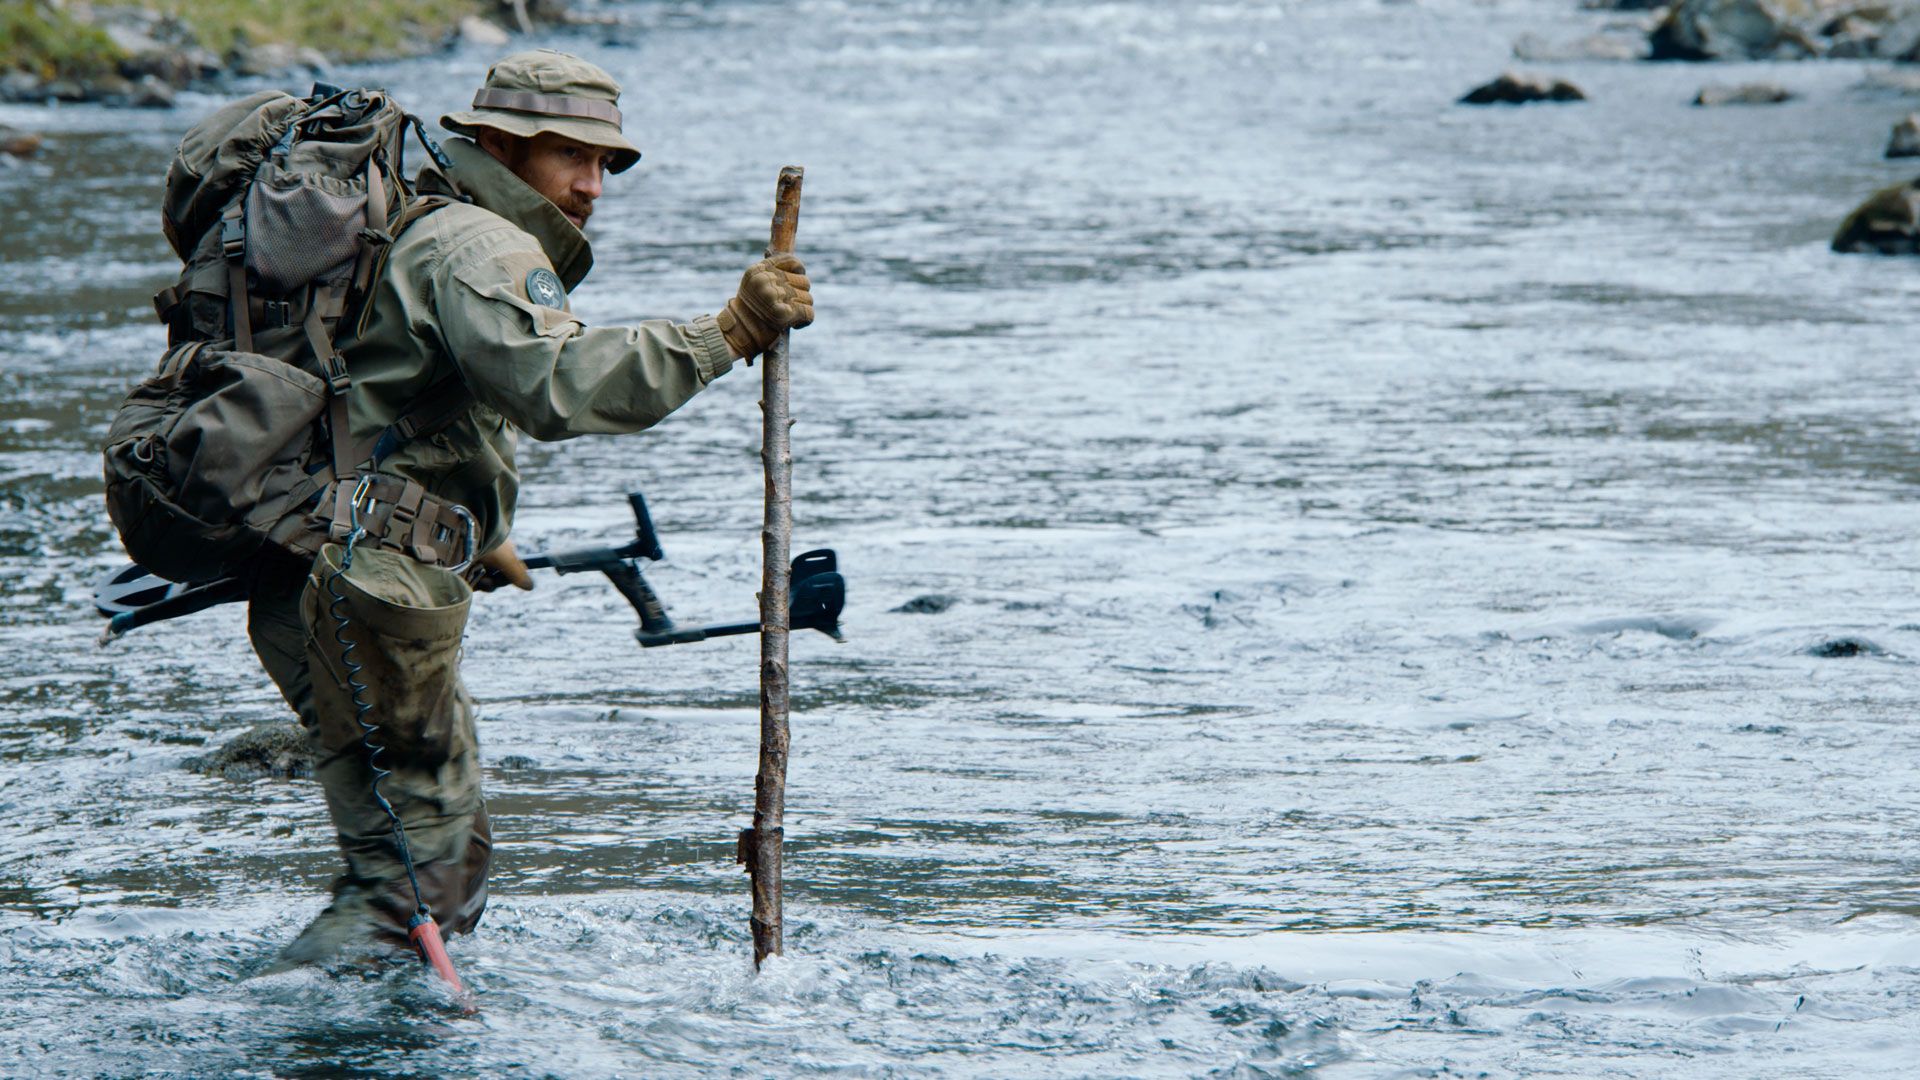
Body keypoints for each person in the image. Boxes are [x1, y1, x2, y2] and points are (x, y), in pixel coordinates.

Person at [246, 49, 814, 967]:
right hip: (370, 587)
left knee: (421, 855)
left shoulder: (423, 222)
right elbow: (558, 385)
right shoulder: (479, 244)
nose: (594, 185)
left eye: (607, 165)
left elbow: (418, 399)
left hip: (317, 568)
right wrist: (730, 333)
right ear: (504, 145)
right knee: (420, 878)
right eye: (572, 158)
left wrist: (483, 534)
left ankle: (370, 1023)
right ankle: (306, 1033)